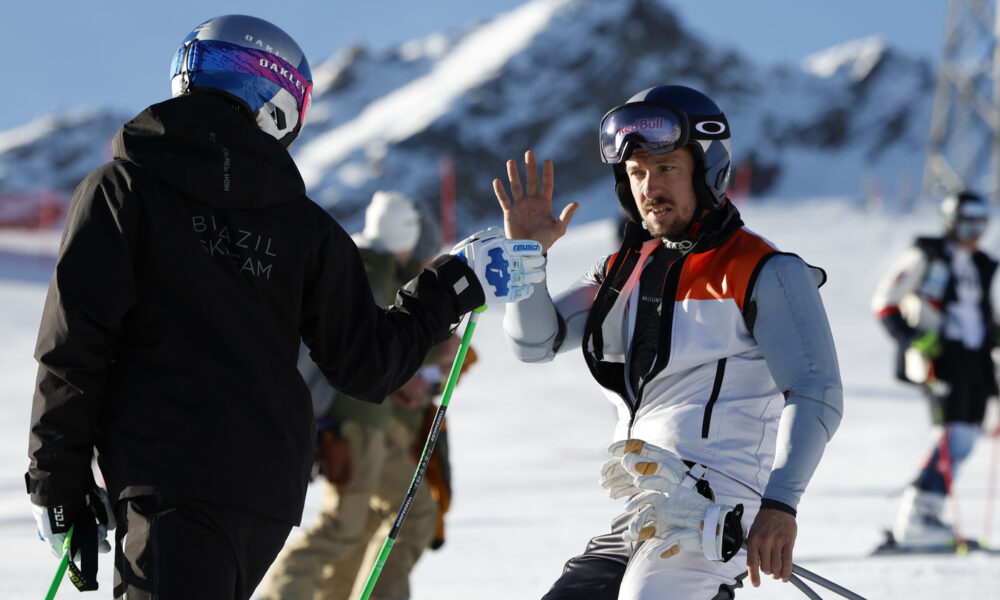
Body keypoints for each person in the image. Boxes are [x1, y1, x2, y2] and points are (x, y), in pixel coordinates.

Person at [25, 15, 540, 598]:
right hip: (262, 494)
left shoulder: (123, 189)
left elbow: (73, 345)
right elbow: (368, 364)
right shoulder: (306, 229)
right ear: (279, 105)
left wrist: (57, 484)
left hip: (166, 475)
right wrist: (453, 284)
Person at [495, 85, 843, 598]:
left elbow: (817, 390)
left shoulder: (766, 272)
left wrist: (781, 505)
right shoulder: (623, 272)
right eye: (636, 174)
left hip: (716, 511)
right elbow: (533, 342)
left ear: (709, 170)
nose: (649, 187)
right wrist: (524, 255)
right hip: (645, 511)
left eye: (667, 169)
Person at [258, 190, 452, 600]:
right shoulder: (372, 274)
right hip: (358, 423)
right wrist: (409, 376)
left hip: (362, 423)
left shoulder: (365, 267)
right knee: (348, 527)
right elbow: (369, 350)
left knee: (360, 525)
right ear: (405, 240)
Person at [871, 190, 997, 548]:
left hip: (976, 362)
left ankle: (927, 515)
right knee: (950, 436)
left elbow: (988, 315)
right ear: (951, 221)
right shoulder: (927, 254)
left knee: (967, 437)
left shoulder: (984, 265)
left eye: (981, 222)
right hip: (942, 358)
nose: (975, 230)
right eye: (967, 221)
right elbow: (884, 301)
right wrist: (913, 339)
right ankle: (916, 520)